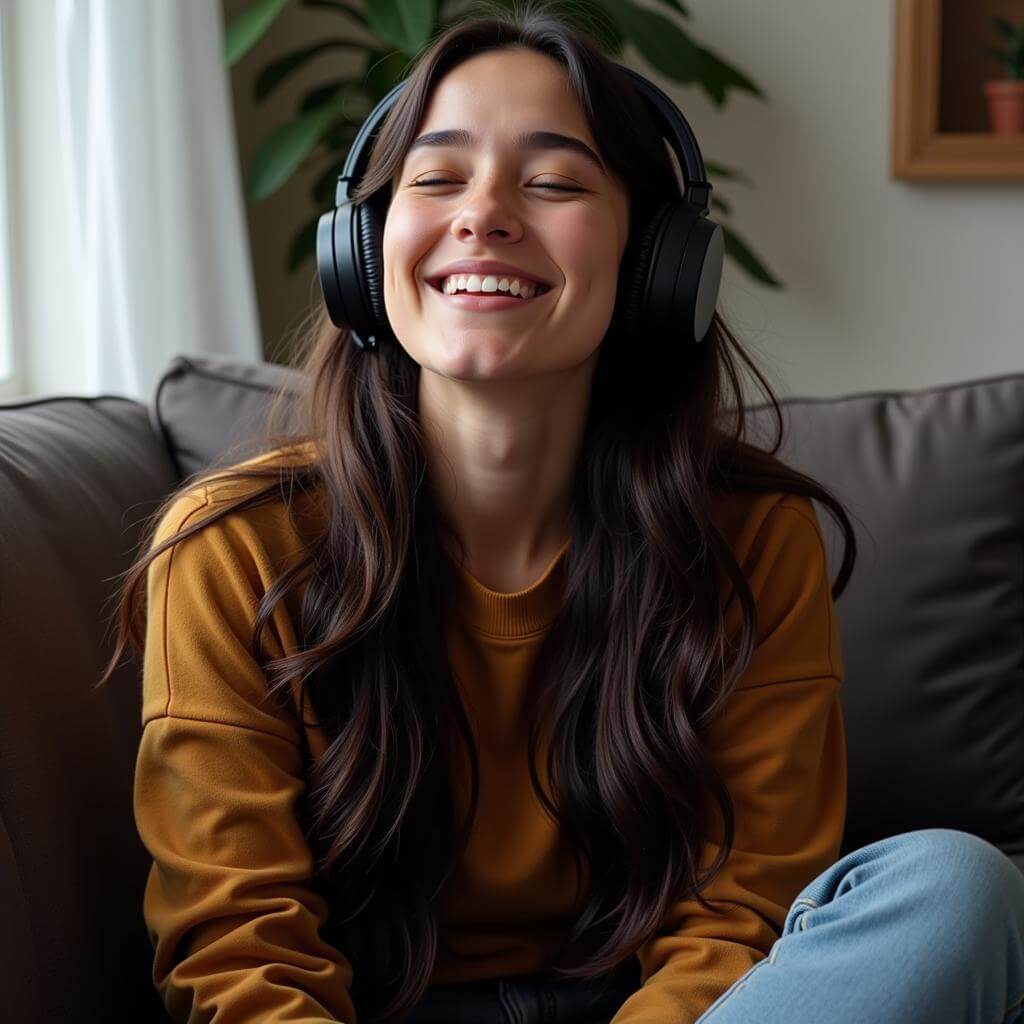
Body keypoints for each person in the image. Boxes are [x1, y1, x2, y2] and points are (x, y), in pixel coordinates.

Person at [97, 5, 1024, 1024]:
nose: (484, 215)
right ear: (360, 251)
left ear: (654, 261)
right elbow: (239, 943)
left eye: (552, 182)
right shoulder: (234, 544)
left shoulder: (751, 540)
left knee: (953, 887)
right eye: (437, 177)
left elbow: (738, 908)